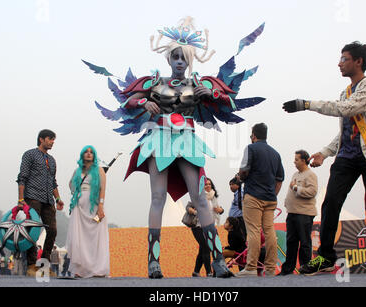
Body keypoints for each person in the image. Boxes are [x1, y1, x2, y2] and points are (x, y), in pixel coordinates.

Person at [88, 17, 266, 278]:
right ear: (168, 59)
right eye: (175, 57)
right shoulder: (155, 83)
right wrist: (142, 104)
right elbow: (127, 103)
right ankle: (154, 262)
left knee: (200, 199)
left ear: (190, 60)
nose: (180, 61)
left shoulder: (199, 84)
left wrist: (214, 95)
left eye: (184, 58)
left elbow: (230, 103)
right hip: (159, 138)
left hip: (187, 140)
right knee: (157, 198)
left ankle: (217, 261)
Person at [283, 41, 366, 274]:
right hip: (347, 155)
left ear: (358, 61)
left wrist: (306, 104)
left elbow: (348, 109)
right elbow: (346, 129)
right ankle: (325, 256)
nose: (339, 63)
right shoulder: (344, 92)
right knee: (331, 202)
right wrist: (325, 153)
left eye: (344, 59)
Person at [236, 123, 284, 277]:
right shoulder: (276, 154)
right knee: (270, 232)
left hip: (254, 196)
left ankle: (250, 267)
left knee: (254, 231)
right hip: (270, 198)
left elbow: (244, 170)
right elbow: (280, 179)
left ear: (254, 135)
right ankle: (270, 268)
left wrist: (240, 177)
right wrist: (273, 195)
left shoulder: (251, 149)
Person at [16, 129, 64, 277]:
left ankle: (44, 265)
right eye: (50, 139)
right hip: (32, 198)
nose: (52, 142)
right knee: (33, 231)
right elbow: (22, 177)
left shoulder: (52, 160)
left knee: (52, 230)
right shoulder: (29, 155)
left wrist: (58, 199)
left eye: (53, 140)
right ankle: (31, 265)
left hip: (49, 200)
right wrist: (20, 200)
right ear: (41, 139)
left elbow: (53, 182)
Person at [66, 145, 109, 278]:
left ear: (94, 155)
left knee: (95, 238)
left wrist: (101, 206)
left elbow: (103, 189)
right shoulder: (77, 171)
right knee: (80, 238)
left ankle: (98, 269)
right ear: (82, 155)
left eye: (91, 152)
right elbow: (71, 185)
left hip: (94, 205)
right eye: (86, 152)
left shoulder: (99, 171)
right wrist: (77, 191)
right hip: (79, 207)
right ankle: (81, 269)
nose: (89, 154)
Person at [279, 150, 318, 276]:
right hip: (292, 213)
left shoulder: (310, 175)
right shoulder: (296, 174)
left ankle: (305, 267)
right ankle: (287, 269)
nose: (294, 162)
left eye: (296, 159)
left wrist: (296, 188)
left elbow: (312, 191)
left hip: (304, 213)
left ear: (303, 160)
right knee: (291, 242)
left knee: (305, 242)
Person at [186, 201, 212, 277]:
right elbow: (188, 207)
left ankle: (196, 271)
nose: (207, 188)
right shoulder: (197, 197)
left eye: (209, 187)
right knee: (206, 247)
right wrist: (193, 211)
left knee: (202, 250)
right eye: (205, 187)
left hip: (209, 227)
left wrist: (221, 210)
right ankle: (209, 272)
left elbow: (215, 209)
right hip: (197, 226)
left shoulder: (212, 197)